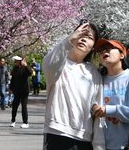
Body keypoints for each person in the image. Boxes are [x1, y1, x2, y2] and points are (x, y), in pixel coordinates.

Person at [42, 22, 104, 150]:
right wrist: (69, 39)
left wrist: (99, 145)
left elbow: (98, 111)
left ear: (93, 47)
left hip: (85, 138)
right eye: (81, 34)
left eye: (89, 37)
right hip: (58, 132)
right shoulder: (59, 64)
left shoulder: (94, 73)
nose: (83, 39)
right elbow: (49, 63)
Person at [91, 39, 129, 150]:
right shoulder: (98, 79)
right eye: (102, 50)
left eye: (109, 48)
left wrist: (112, 110)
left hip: (126, 145)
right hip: (101, 145)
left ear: (122, 55)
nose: (104, 51)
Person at [9, 56, 34, 128]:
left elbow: (31, 73)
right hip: (17, 90)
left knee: (24, 106)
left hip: (24, 90)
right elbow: (13, 79)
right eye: (15, 60)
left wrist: (26, 66)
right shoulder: (15, 68)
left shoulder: (25, 68)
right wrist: (11, 88)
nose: (16, 61)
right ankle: (13, 121)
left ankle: (25, 122)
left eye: (17, 60)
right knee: (14, 106)